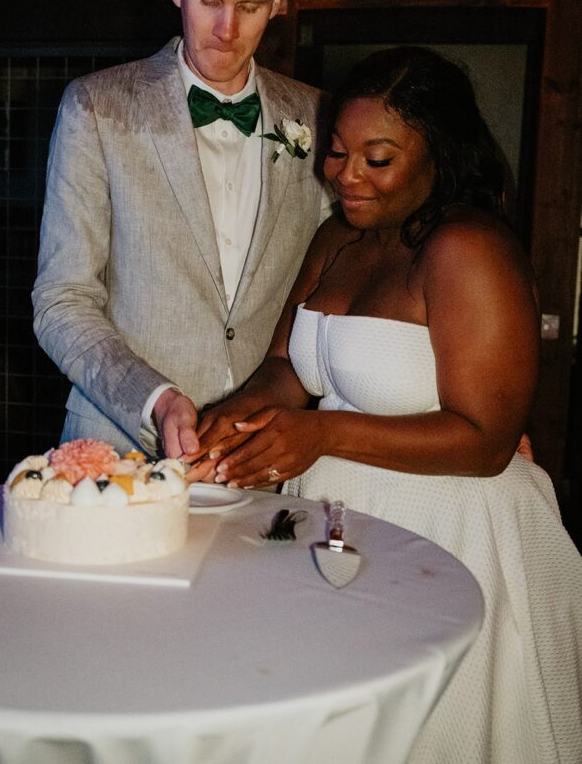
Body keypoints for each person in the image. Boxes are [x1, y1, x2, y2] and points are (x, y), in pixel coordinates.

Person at [190, 46, 582, 764]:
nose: (345, 176)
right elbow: (286, 367)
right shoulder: (336, 236)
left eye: (377, 159)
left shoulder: (468, 249)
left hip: (453, 537)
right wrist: (227, 420)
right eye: (337, 153)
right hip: (340, 522)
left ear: (438, 154)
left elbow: (486, 439)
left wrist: (318, 433)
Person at [32, 0, 332, 460]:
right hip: (119, 449)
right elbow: (61, 301)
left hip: (258, 454)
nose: (227, 29)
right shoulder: (97, 108)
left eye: (250, 6)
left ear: (281, 2)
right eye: (209, 0)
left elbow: (354, 282)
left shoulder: (318, 118)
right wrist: (157, 401)